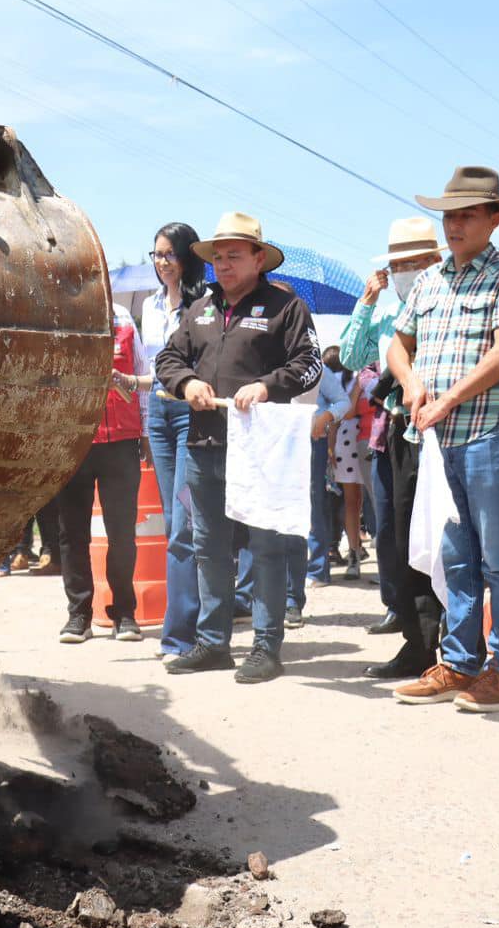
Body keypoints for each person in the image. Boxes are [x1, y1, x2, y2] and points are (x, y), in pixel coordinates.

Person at [388, 167, 499, 713]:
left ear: (494, 219)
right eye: (449, 215)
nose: (453, 224)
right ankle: (459, 662)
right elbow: (396, 347)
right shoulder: (429, 280)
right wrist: (411, 381)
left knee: (495, 558)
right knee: (457, 559)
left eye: (466, 214)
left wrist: (446, 398)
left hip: (485, 435)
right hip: (438, 441)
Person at [155, 211, 322, 682]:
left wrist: (267, 386)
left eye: (234, 256)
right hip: (204, 442)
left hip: (260, 447)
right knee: (208, 545)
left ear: (258, 259)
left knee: (266, 546)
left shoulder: (284, 307)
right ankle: (213, 643)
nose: (223, 265)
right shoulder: (200, 309)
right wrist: (186, 382)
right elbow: (168, 357)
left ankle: (267, 646)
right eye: (218, 257)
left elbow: (310, 365)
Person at [339, 217, 447, 665]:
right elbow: (349, 355)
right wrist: (367, 301)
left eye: (412, 262)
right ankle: (407, 622)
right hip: (390, 434)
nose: (403, 270)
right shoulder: (385, 313)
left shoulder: (442, 301)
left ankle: (442, 629)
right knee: (393, 531)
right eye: (397, 263)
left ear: (431, 262)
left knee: (438, 532)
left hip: (435, 426)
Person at [55, 303, 149, 644]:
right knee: (73, 533)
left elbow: (141, 372)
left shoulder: (124, 319)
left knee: (122, 533)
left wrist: (147, 432)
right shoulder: (59, 317)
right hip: (74, 441)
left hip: (121, 442)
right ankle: (79, 614)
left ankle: (124, 612)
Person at [135, 222, 208, 657]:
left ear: (186, 257)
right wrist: (132, 381)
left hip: (190, 415)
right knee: (172, 522)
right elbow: (158, 368)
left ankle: (180, 634)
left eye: (169, 254)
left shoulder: (204, 305)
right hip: (158, 414)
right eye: (156, 255)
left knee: (183, 525)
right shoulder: (148, 305)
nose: (162, 263)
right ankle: (192, 622)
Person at [306, 347, 353, 589]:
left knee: (315, 504)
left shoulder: (318, 369)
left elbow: (343, 402)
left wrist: (325, 417)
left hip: (313, 442)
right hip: (280, 442)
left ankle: (317, 569)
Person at [331, 353, 370, 580]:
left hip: (362, 435)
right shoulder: (349, 377)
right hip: (349, 436)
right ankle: (354, 554)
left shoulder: (365, 374)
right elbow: (347, 410)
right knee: (352, 501)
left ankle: (356, 553)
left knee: (364, 501)